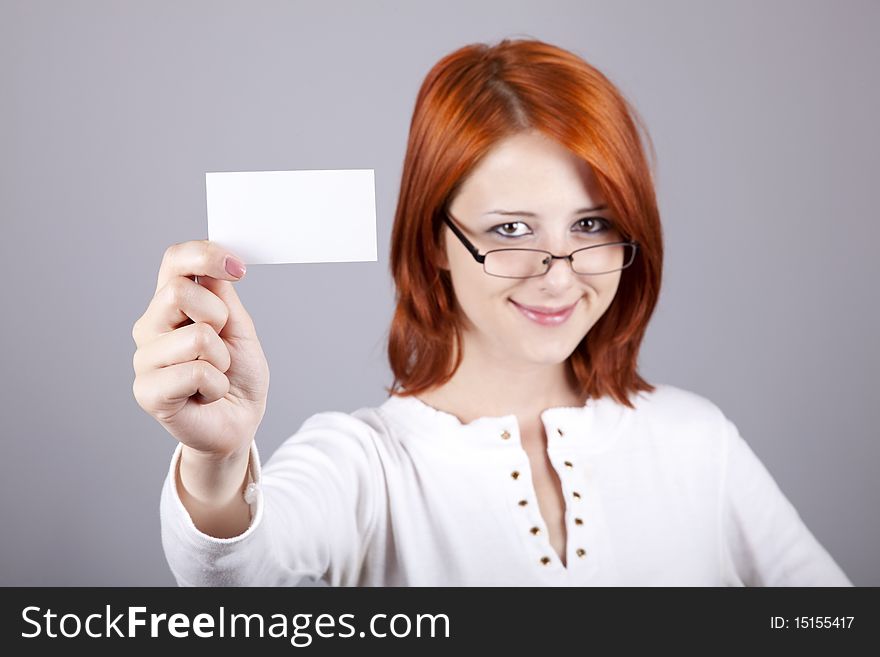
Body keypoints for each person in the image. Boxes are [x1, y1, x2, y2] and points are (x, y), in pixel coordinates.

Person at [132, 38, 852, 586]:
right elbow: (232, 569)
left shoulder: (698, 442)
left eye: (594, 225)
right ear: (435, 239)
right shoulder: (367, 466)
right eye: (511, 230)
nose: (558, 275)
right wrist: (218, 457)